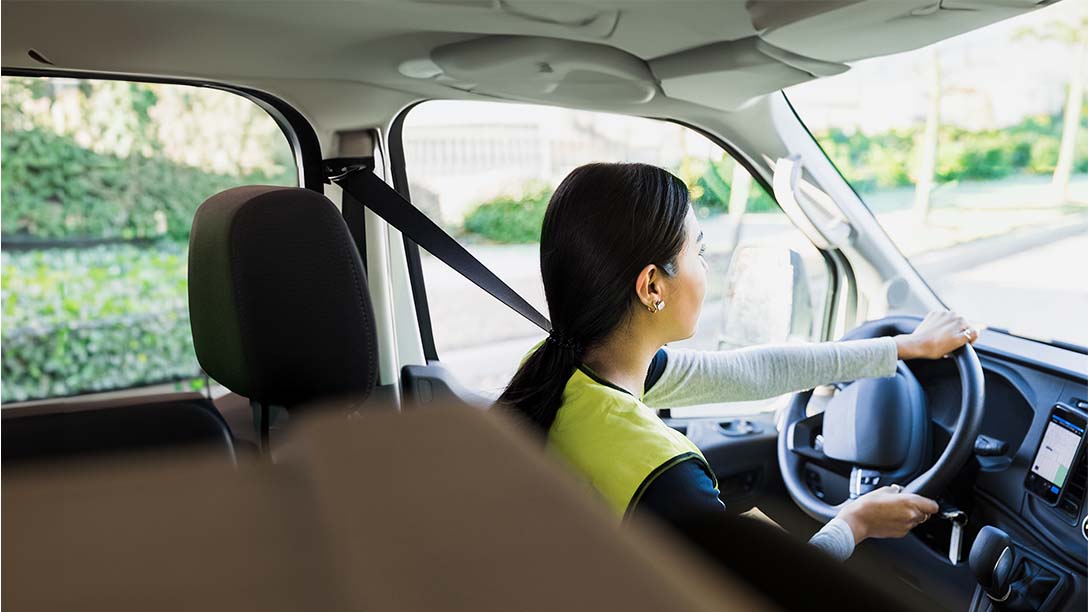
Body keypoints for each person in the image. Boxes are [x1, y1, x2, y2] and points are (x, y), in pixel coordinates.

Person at [498, 162, 978, 561]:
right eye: (699, 252)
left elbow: (751, 372)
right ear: (651, 287)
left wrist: (901, 348)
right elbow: (769, 595)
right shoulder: (663, 473)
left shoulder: (554, 369)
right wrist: (855, 522)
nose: (707, 269)